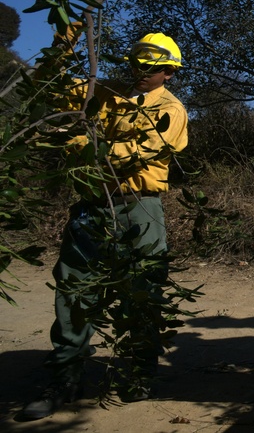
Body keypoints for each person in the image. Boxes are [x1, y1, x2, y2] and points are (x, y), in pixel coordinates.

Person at [22, 33, 189, 420]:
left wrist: (79, 141)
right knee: (74, 291)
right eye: (137, 63)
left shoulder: (172, 110)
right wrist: (64, 41)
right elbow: (49, 87)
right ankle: (64, 377)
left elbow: (134, 155)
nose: (140, 72)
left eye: (151, 67)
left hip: (138, 210)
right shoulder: (103, 92)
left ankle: (138, 374)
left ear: (169, 72)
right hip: (91, 207)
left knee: (142, 294)